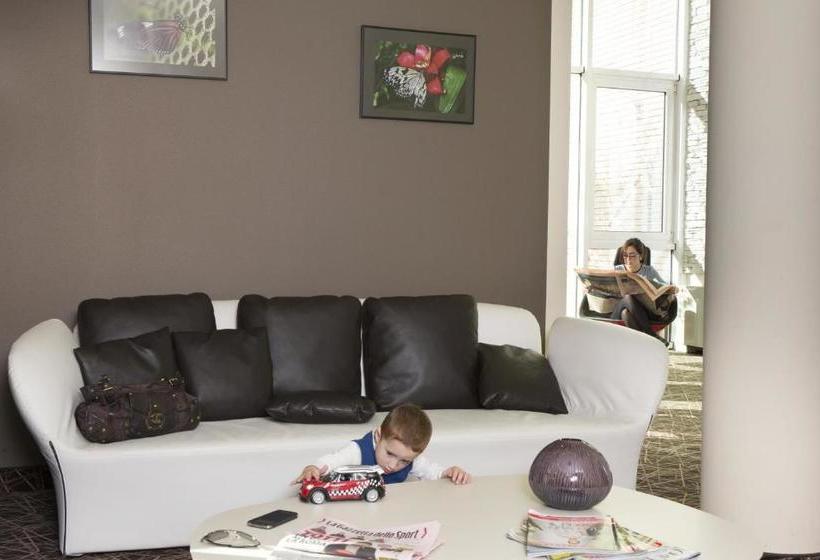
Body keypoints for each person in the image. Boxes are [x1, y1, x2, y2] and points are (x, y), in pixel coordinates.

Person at [295, 403, 471, 485]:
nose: (393, 465)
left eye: (404, 461)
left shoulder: (411, 459)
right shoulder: (358, 450)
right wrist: (314, 468)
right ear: (379, 435)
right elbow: (333, 461)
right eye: (390, 453)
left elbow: (431, 472)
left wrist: (448, 473)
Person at [610, 238, 678, 342]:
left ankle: (643, 343)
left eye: (632, 255)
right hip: (616, 311)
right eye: (625, 255)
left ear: (641, 256)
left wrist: (671, 289)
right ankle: (651, 334)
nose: (628, 259)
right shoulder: (617, 270)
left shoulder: (649, 271)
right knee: (628, 298)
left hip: (642, 313)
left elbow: (663, 287)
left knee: (626, 314)